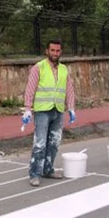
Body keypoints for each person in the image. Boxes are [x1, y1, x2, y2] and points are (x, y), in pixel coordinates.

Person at [22, 40, 76, 187]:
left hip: (58, 110)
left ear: (61, 52)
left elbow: (69, 89)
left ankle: (48, 169)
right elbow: (30, 89)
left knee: (54, 142)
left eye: (58, 51)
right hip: (42, 111)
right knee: (40, 143)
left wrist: (71, 107)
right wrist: (28, 108)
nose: (55, 53)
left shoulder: (64, 69)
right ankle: (34, 173)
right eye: (52, 50)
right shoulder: (38, 68)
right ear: (47, 51)